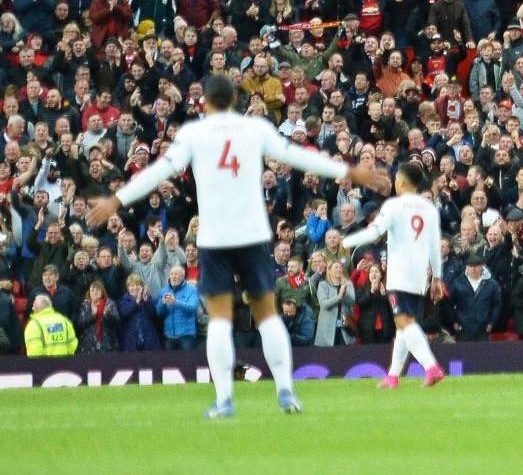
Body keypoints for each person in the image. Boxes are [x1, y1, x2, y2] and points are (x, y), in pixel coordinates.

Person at [86, 72, 388, 418]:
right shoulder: (254, 128)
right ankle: (286, 391)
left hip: (215, 237)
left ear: (205, 103)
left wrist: (116, 200)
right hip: (253, 234)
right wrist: (350, 170)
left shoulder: (194, 133)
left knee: (219, 319)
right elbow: (298, 156)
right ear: (235, 100)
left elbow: (159, 171)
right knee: (266, 313)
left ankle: (225, 400)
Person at [342, 161, 447, 389]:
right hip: (420, 276)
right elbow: (434, 246)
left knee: (404, 321)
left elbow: (375, 232)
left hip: (399, 274)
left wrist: (345, 241)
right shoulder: (429, 208)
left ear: (401, 182)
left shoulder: (393, 206)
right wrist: (437, 278)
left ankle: (432, 367)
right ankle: (393, 376)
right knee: (404, 326)